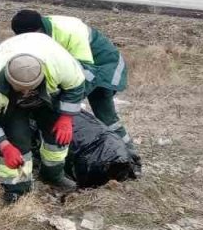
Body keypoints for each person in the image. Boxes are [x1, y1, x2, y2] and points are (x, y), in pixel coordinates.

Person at [0, 31, 87, 203]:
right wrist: (5, 146)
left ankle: (53, 175)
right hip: (11, 103)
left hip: (47, 94)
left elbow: (76, 86)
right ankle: (16, 189)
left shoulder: (60, 65)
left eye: (29, 88)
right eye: (20, 89)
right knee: (16, 139)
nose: (25, 92)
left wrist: (66, 118)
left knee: (57, 136)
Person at [10, 9, 135, 156]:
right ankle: (40, 147)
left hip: (103, 65)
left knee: (105, 115)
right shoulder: (36, 31)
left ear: (39, 31)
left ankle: (129, 154)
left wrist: (64, 109)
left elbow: (83, 74)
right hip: (83, 67)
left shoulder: (70, 31)